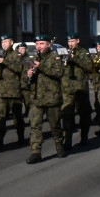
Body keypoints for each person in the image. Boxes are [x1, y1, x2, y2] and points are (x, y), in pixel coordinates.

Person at [25, 34, 65, 164]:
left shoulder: (55, 57)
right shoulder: (35, 58)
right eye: (37, 44)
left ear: (48, 44)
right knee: (35, 126)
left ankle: (59, 146)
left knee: (55, 125)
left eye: (41, 44)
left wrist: (40, 66)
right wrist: (29, 74)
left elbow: (58, 73)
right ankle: (35, 152)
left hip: (51, 97)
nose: (39, 47)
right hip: (36, 98)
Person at [0, 34, 25, 148]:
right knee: (0, 117)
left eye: (6, 42)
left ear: (11, 42)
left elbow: (20, 68)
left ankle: (21, 137)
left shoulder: (17, 54)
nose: (3, 44)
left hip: (13, 91)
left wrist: (4, 61)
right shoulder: (0, 54)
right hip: (0, 91)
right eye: (2, 42)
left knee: (17, 117)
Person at [60, 32, 93, 150]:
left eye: (72, 41)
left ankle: (84, 138)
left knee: (84, 114)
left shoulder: (83, 52)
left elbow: (89, 67)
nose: (70, 44)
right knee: (67, 115)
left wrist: (75, 59)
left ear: (77, 41)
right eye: (69, 42)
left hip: (80, 88)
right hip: (67, 89)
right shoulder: (64, 53)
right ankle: (67, 141)